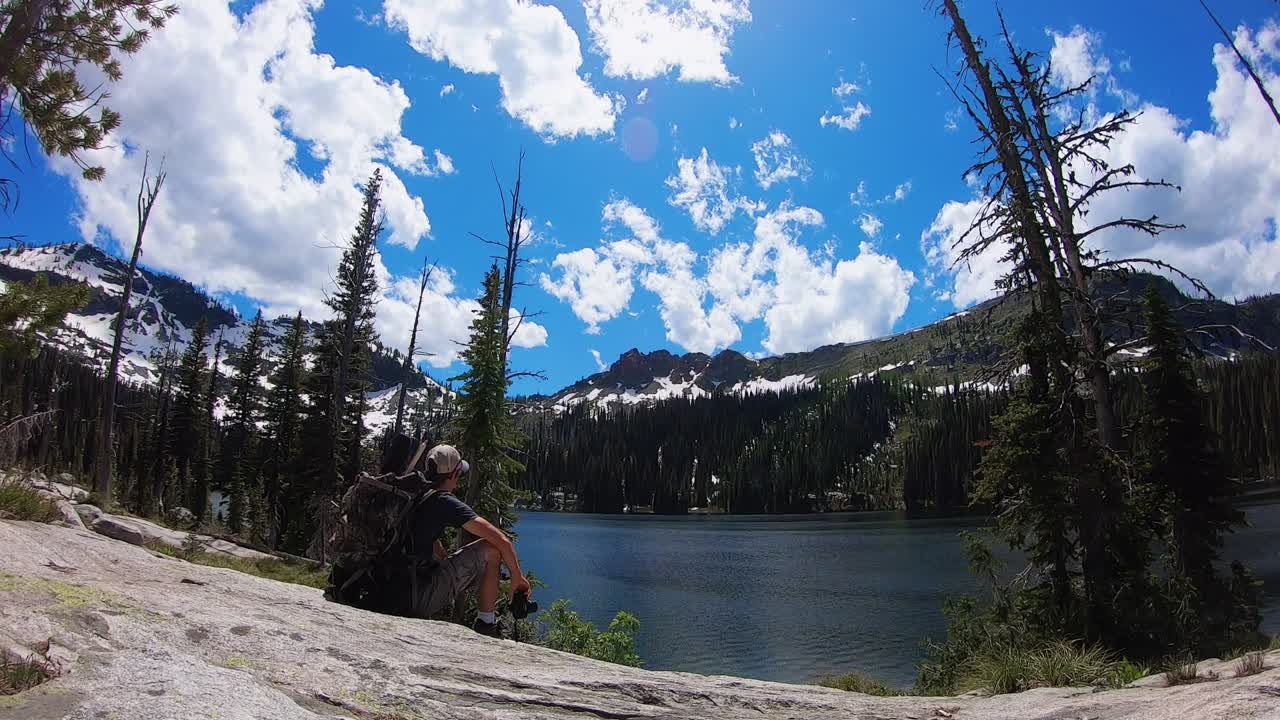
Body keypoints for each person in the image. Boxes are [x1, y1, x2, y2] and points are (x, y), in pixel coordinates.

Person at [399, 443, 531, 637]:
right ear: (453, 474)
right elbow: (501, 541)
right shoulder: (443, 501)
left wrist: (444, 559)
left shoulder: (415, 494)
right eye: (460, 474)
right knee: (492, 549)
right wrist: (517, 577)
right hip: (417, 597)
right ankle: (486, 625)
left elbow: (424, 537)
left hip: (393, 588)